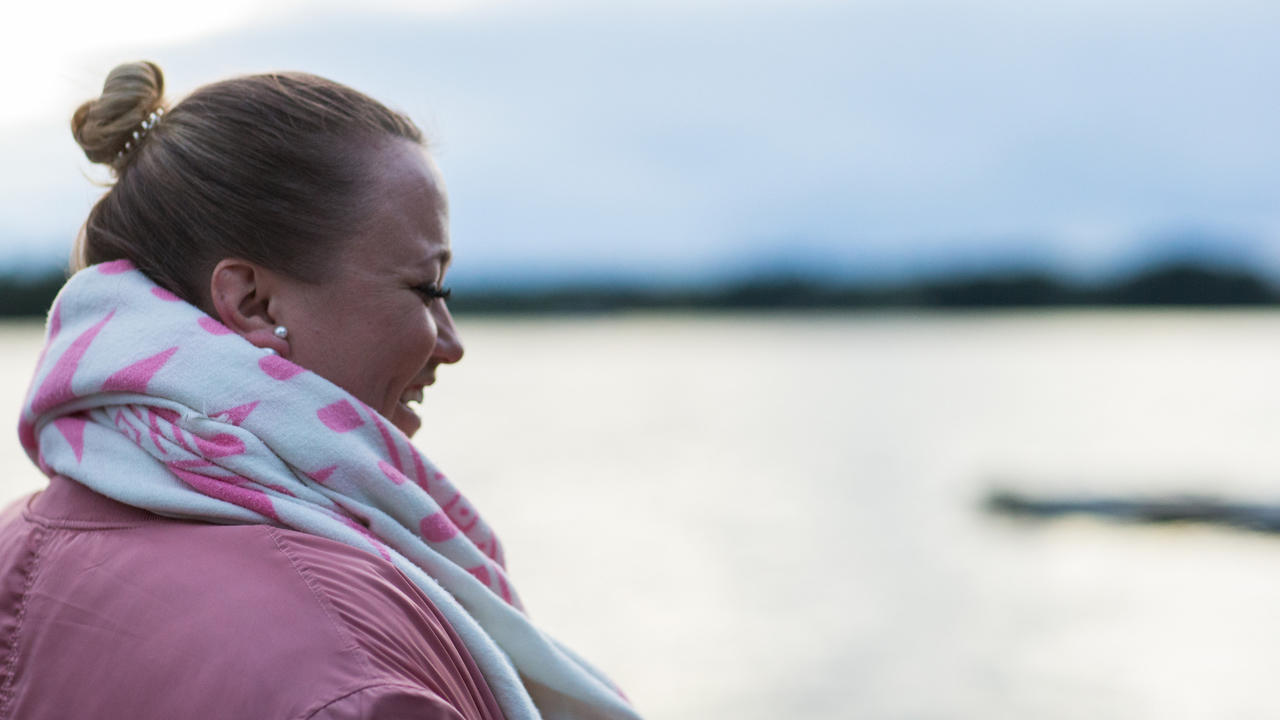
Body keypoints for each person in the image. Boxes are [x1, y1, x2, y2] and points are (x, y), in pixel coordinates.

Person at [0, 61, 640, 720]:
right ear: (253, 303)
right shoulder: (358, 677)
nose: (450, 344)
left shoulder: (17, 542)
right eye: (427, 288)